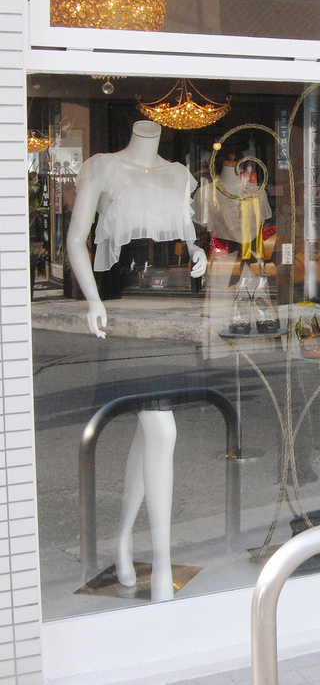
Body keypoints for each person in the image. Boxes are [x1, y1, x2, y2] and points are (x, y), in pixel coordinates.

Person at [66, 120, 206, 601]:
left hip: (174, 310)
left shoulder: (179, 174)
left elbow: (185, 235)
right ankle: (162, 566)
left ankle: (124, 539)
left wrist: (198, 252)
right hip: (126, 313)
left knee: (150, 429)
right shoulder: (104, 168)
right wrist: (92, 300)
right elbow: (76, 239)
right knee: (162, 429)